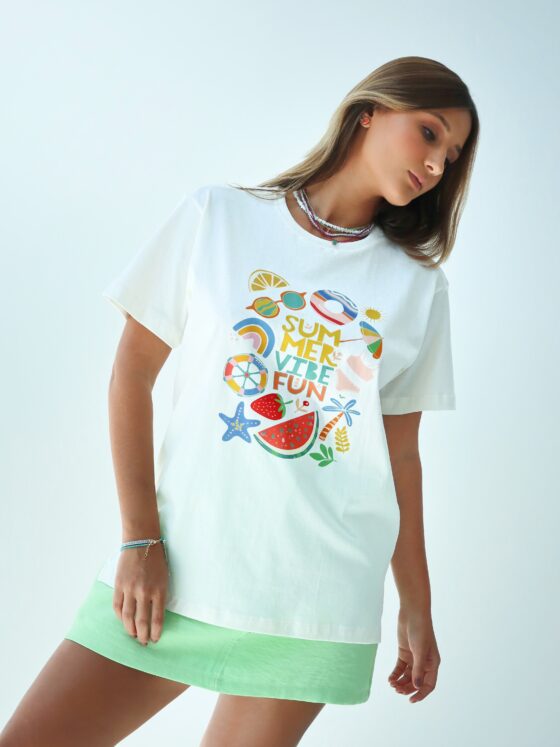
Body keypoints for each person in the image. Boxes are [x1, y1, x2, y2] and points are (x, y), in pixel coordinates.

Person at [0, 55, 478, 747]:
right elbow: (132, 374)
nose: (436, 164)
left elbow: (401, 457)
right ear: (369, 112)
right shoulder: (218, 217)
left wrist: (417, 606)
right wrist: (139, 538)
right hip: (175, 572)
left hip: (314, 599)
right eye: (429, 133)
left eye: (452, 156)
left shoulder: (417, 286)